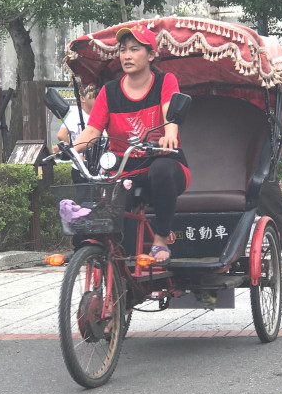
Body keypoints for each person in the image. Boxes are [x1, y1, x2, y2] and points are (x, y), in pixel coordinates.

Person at [71, 23, 188, 265]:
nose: (127, 55)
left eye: (135, 50)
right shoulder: (109, 92)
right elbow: (92, 131)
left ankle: (161, 240)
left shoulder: (165, 81)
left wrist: (169, 136)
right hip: (125, 168)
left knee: (162, 169)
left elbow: (171, 118)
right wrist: (71, 150)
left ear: (151, 55)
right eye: (123, 50)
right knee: (93, 184)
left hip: (163, 163)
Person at [56, 83, 98, 147]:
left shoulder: (99, 113)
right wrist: (73, 153)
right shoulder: (75, 114)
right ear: (82, 98)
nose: (97, 98)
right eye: (94, 96)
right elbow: (61, 135)